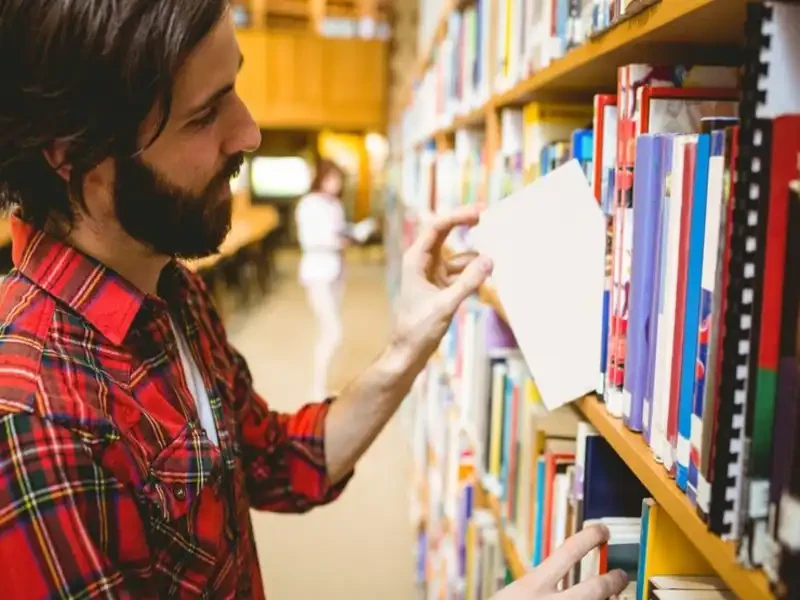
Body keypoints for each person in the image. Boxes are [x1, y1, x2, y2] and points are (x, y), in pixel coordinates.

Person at [0, 2, 629, 599]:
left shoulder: (169, 289)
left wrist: (408, 345)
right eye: (203, 116)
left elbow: (275, 461)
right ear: (74, 157)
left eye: (235, 90)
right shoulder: (34, 421)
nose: (249, 133)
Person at [295, 158, 349, 399]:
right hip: (317, 269)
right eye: (332, 179)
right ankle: (316, 388)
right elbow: (310, 238)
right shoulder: (308, 204)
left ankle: (322, 385)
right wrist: (336, 241)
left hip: (337, 269)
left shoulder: (335, 205)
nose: (335, 185)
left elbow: (339, 231)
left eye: (338, 180)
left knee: (328, 329)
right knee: (332, 331)